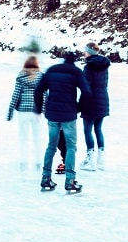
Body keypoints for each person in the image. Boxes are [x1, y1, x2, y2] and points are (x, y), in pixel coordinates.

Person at [34, 50, 91, 193]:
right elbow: (87, 92)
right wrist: (79, 107)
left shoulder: (52, 70)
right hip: (68, 116)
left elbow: (38, 90)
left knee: (51, 146)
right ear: (74, 61)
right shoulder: (76, 72)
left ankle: (45, 178)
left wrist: (40, 108)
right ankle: (70, 180)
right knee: (71, 146)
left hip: (52, 114)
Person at [7, 55, 44, 170]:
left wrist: (10, 112)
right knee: (37, 138)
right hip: (36, 112)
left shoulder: (21, 76)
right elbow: (45, 95)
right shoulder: (41, 77)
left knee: (23, 138)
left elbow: (15, 95)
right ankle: (38, 162)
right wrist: (44, 110)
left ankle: (24, 162)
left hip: (23, 112)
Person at [80, 43, 111, 171]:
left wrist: (81, 103)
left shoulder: (88, 67)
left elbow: (85, 87)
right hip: (103, 99)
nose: (83, 53)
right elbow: (105, 84)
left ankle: (91, 159)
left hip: (90, 101)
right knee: (98, 129)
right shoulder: (105, 66)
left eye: (85, 51)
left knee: (88, 130)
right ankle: (101, 160)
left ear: (89, 53)